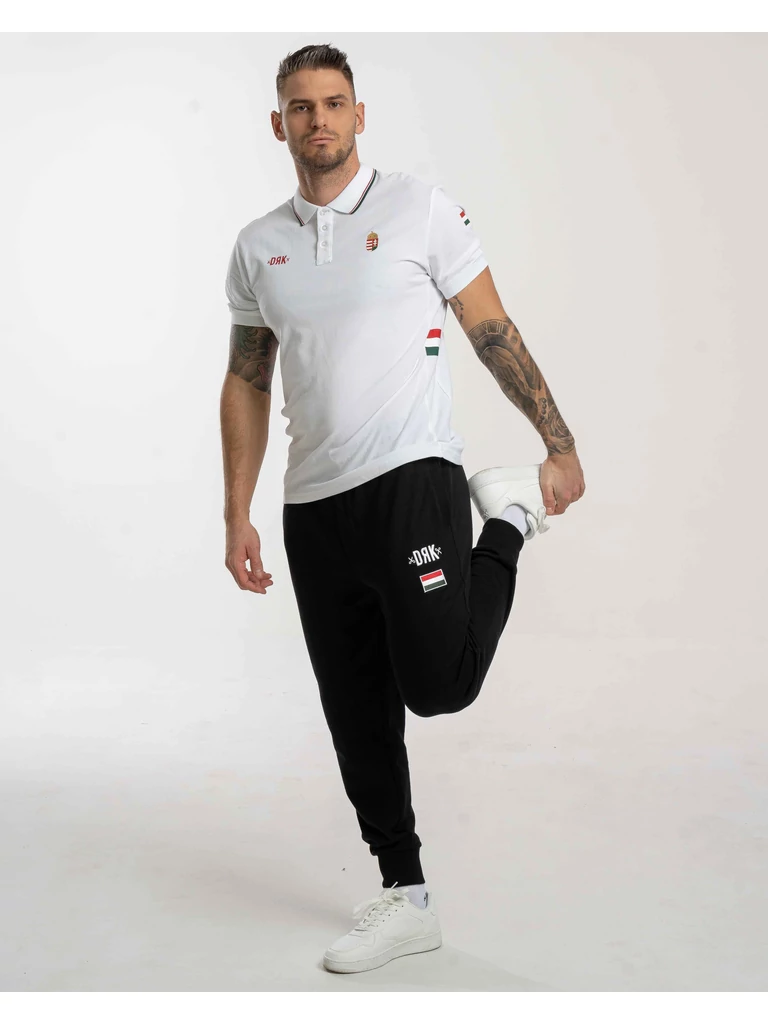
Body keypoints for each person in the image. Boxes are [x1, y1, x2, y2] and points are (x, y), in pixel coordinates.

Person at [220, 42, 585, 974]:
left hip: (411, 478)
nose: (319, 120)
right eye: (301, 107)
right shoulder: (258, 245)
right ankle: (407, 896)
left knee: (441, 686)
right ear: (278, 124)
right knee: (357, 712)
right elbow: (247, 380)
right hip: (314, 505)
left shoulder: (420, 208)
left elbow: (491, 327)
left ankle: (506, 521)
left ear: (360, 113)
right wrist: (237, 512)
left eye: (334, 102)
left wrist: (556, 441)